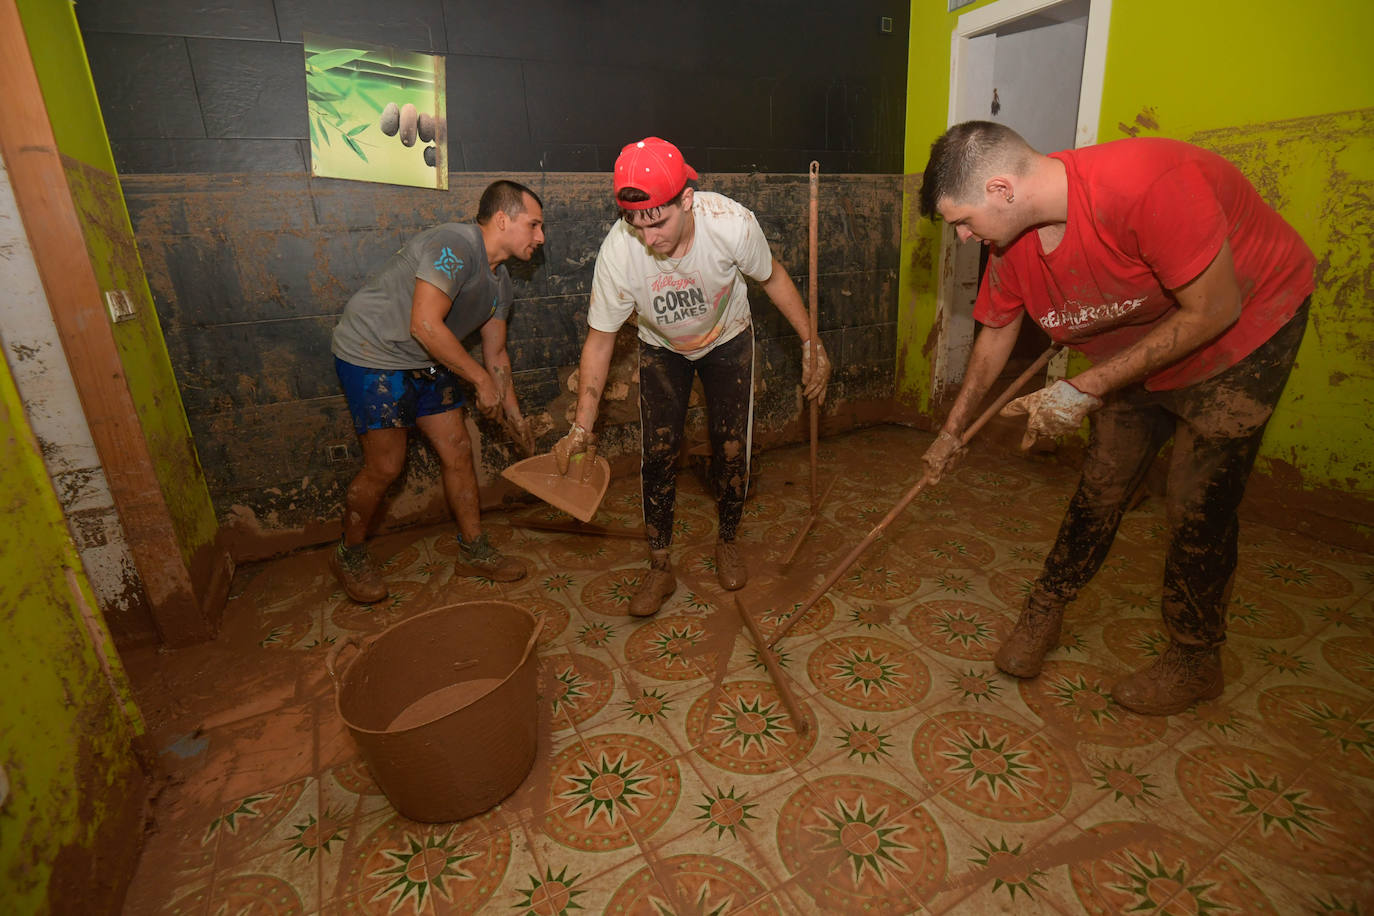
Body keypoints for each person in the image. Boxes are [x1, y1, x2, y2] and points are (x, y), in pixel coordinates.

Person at [917, 121, 1314, 715]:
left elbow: (1214, 307)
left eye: (963, 221)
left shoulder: (1147, 185)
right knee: (1103, 481)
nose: (966, 236)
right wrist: (952, 432)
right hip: (1136, 346)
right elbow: (997, 329)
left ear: (1002, 189)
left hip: (1243, 328)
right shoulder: (1013, 241)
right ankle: (1046, 608)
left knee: (1194, 499)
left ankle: (1195, 657)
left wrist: (1082, 389)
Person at [554, 137, 831, 617]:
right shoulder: (620, 252)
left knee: (731, 446)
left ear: (686, 200)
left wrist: (812, 344)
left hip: (728, 338)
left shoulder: (731, 225)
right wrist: (582, 425)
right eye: (636, 224)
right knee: (657, 453)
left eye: (658, 222)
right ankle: (659, 565)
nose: (649, 238)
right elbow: (599, 342)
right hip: (662, 347)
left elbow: (774, 279)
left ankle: (727, 539)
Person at [328, 180, 545, 602]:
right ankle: (348, 553)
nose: (541, 237)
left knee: (458, 449)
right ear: (503, 219)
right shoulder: (456, 243)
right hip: (373, 351)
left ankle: (473, 549)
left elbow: (496, 354)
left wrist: (516, 415)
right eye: (534, 225)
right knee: (387, 466)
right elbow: (425, 324)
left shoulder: (501, 284)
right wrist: (479, 380)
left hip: (427, 357)